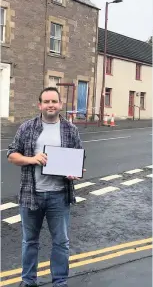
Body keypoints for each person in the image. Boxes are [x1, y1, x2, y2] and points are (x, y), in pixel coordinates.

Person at [7, 87, 85, 287]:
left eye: (54, 101)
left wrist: (75, 172)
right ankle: (28, 281)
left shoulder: (70, 129)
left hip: (59, 195)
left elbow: (78, 158)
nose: (51, 105)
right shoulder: (27, 127)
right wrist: (32, 159)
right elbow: (11, 155)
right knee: (30, 242)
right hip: (31, 195)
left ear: (60, 105)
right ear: (40, 105)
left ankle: (60, 282)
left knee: (61, 242)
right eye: (46, 102)